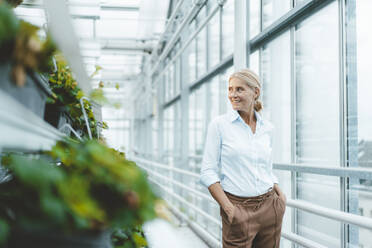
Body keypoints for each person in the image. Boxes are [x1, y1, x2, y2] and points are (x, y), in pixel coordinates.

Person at [200, 68, 286, 248]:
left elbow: (267, 169)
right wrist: (228, 207)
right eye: (230, 89)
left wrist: (280, 197)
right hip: (237, 207)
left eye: (239, 89)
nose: (233, 95)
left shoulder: (268, 129)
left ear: (255, 92)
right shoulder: (220, 126)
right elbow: (208, 172)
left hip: (270, 206)